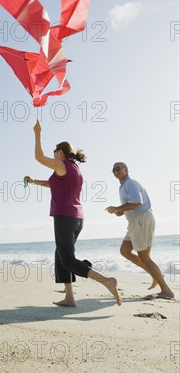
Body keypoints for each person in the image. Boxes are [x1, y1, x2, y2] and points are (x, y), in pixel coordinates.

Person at [25, 120, 121, 307]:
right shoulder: (73, 169)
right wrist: (34, 181)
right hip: (77, 218)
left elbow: (38, 156)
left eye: (55, 151)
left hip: (64, 217)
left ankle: (107, 281)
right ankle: (69, 297)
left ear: (60, 152)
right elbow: (52, 183)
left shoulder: (62, 166)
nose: (53, 154)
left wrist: (37, 133)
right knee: (60, 255)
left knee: (67, 259)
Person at [105, 162, 174, 299]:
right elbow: (132, 205)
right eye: (113, 169)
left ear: (126, 169)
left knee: (145, 258)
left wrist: (117, 208)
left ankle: (166, 290)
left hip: (141, 220)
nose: (115, 171)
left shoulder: (130, 183)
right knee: (125, 251)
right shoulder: (124, 186)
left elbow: (138, 203)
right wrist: (120, 211)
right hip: (135, 221)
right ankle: (155, 274)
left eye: (118, 168)